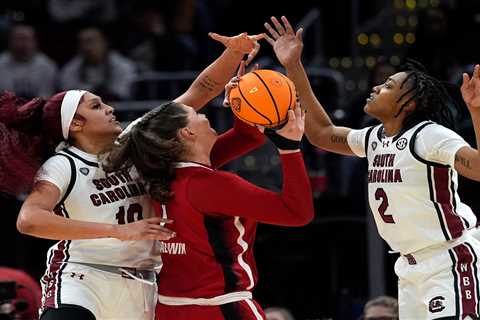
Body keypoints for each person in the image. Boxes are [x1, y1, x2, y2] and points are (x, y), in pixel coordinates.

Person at [9, 32, 264, 320]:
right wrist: (118, 232)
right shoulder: (62, 165)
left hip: (142, 284)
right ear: (76, 124)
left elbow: (201, 90)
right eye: (96, 106)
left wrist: (233, 53)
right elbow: (29, 220)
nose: (110, 108)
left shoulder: (135, 138)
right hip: (83, 276)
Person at [264, 16, 480, 319]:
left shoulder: (429, 135)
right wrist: (293, 65)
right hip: (409, 267)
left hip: (449, 258)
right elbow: (321, 134)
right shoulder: (374, 138)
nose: (378, 86)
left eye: (389, 85)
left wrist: (476, 111)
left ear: (408, 104)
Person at [104, 69, 314, 320]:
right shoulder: (214, 185)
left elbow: (246, 137)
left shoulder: (162, 174)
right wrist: (290, 150)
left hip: (167, 308)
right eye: (196, 114)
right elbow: (297, 213)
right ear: (187, 133)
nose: (205, 115)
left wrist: (241, 103)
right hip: (220, 308)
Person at [0, 24, 58, 99]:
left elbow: (46, 97)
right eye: (17, 39)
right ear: (9, 41)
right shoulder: (1, 63)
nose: (21, 44)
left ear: (35, 42)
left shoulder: (47, 66)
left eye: (25, 39)